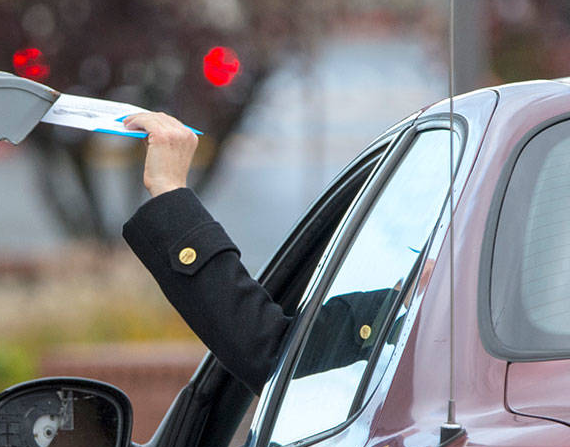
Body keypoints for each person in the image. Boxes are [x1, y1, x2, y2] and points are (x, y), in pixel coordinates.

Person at [118, 111, 407, 394]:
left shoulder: (427, 320)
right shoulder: (426, 320)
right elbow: (277, 355)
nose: (429, 264)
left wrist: (170, 191)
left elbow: (273, 357)